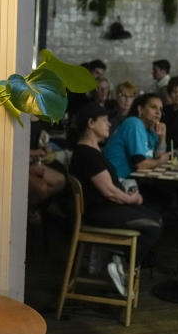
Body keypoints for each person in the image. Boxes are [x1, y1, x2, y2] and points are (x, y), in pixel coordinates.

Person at [68, 103, 163, 295]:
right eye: (104, 121)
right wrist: (131, 199)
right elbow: (109, 191)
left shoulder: (92, 151)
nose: (109, 125)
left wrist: (129, 197)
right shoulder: (86, 154)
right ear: (91, 123)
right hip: (99, 212)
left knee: (157, 217)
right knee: (153, 226)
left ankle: (121, 261)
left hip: (106, 208)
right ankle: (123, 264)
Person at [103, 93, 169, 180]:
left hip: (137, 178)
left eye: (160, 109)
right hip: (117, 179)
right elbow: (140, 164)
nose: (158, 112)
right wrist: (160, 161)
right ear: (140, 109)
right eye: (153, 107)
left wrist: (162, 137)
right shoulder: (134, 123)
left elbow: (158, 156)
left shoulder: (151, 129)